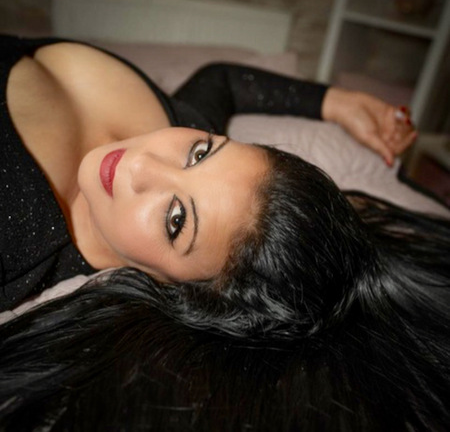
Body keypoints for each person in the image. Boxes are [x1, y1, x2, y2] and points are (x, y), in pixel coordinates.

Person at [1, 33, 449, 431]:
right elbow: (223, 81)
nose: (140, 162)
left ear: (178, 290)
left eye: (176, 220)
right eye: (201, 153)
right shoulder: (179, 123)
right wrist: (337, 101)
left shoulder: (15, 246)